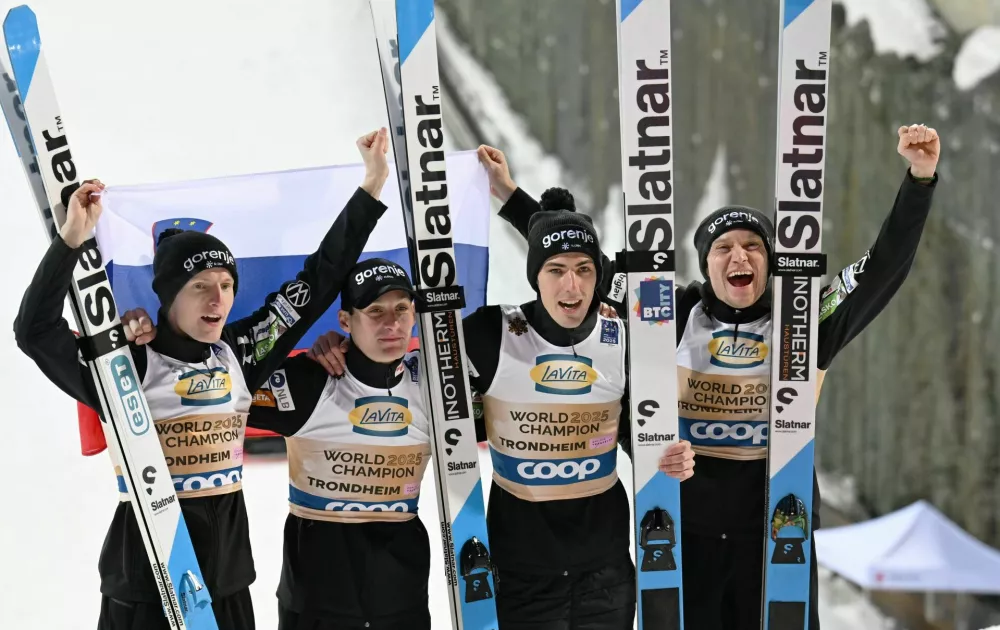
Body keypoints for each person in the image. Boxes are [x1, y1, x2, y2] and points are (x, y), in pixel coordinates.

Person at [475, 123, 941, 630]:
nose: (739, 256)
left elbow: (880, 274)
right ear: (706, 263)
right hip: (686, 534)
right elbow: (584, 268)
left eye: (753, 246)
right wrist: (511, 198)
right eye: (724, 247)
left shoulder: (800, 322)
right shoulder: (672, 313)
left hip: (775, 536)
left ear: (770, 262)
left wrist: (918, 181)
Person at [14, 128, 394, 630]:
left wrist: (371, 187)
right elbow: (35, 330)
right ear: (169, 295)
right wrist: (71, 241)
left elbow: (319, 279)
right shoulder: (126, 365)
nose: (218, 299)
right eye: (200, 288)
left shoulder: (242, 349)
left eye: (226, 285)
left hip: (225, 585)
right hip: (144, 589)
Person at [308, 192, 696, 630]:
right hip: (520, 574)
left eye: (584, 270)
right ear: (536, 277)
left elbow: (635, 429)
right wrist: (338, 345)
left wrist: (665, 455)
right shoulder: (492, 333)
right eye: (555, 270)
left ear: (598, 279)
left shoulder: (623, 336)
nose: (572, 285)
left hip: (604, 571)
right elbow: (409, 372)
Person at [124, 258, 432, 630]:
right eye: (375, 310)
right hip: (316, 604)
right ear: (346, 321)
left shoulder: (432, 385)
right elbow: (205, 382)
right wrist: (146, 344)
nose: (392, 323)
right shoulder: (308, 382)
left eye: (402, 309)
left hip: (403, 601)